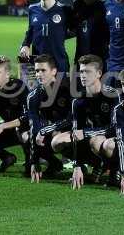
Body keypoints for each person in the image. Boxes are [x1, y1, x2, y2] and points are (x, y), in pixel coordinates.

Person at [51, 54, 120, 189]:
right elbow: (77, 132)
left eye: (87, 72)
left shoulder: (113, 95)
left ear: (99, 73)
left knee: (96, 140)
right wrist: (77, 165)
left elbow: (115, 128)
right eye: (81, 71)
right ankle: (88, 166)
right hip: (91, 138)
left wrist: (86, 132)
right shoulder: (78, 101)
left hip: (113, 141)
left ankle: (113, 169)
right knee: (57, 141)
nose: (83, 75)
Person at [27, 54, 71, 183]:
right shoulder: (33, 97)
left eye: (43, 70)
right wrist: (34, 162)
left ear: (54, 71)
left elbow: (73, 119)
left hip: (73, 130)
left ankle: (81, 164)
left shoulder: (68, 89)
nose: (39, 74)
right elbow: (34, 127)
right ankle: (54, 164)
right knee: (28, 136)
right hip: (52, 131)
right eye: (37, 71)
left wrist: (48, 129)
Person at [20, 0, 73, 74]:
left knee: (60, 89)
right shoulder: (32, 9)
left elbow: (75, 30)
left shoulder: (65, 10)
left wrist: (60, 34)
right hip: (38, 63)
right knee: (40, 90)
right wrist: (25, 45)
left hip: (59, 61)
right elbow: (31, 30)